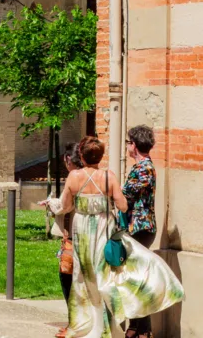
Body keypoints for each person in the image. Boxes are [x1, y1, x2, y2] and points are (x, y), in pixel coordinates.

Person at [43, 136, 183, 338]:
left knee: (82, 276)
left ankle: (83, 324)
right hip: (103, 228)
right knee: (104, 275)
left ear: (81, 156)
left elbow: (65, 207)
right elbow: (123, 205)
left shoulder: (74, 177)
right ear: (100, 156)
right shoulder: (109, 177)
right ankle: (106, 328)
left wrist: (55, 204)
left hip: (82, 229)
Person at [122, 126, 157, 338]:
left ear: (134, 145)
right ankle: (137, 327)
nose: (127, 145)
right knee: (135, 278)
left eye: (128, 142)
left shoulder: (144, 168)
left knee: (137, 280)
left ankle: (141, 329)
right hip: (139, 227)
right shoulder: (143, 166)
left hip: (140, 228)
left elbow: (127, 195)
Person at [53, 142, 84, 338]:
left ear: (67, 160)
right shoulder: (100, 175)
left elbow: (64, 206)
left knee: (68, 277)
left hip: (75, 236)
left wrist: (51, 204)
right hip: (94, 236)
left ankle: (74, 323)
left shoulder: (74, 177)